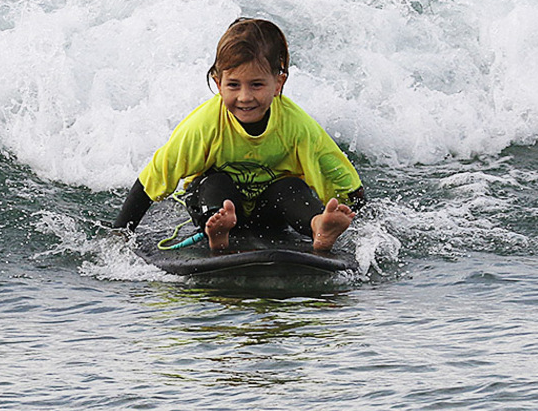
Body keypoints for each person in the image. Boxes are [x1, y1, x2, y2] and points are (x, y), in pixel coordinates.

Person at [113, 18, 363, 253]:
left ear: (278, 83)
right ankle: (217, 231)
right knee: (212, 185)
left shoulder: (297, 125)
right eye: (233, 85)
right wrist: (121, 232)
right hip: (221, 206)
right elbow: (159, 173)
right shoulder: (204, 125)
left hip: (272, 211)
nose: (245, 97)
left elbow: (336, 170)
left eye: (257, 85)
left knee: (292, 188)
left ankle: (318, 225)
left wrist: (365, 229)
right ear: (218, 82)